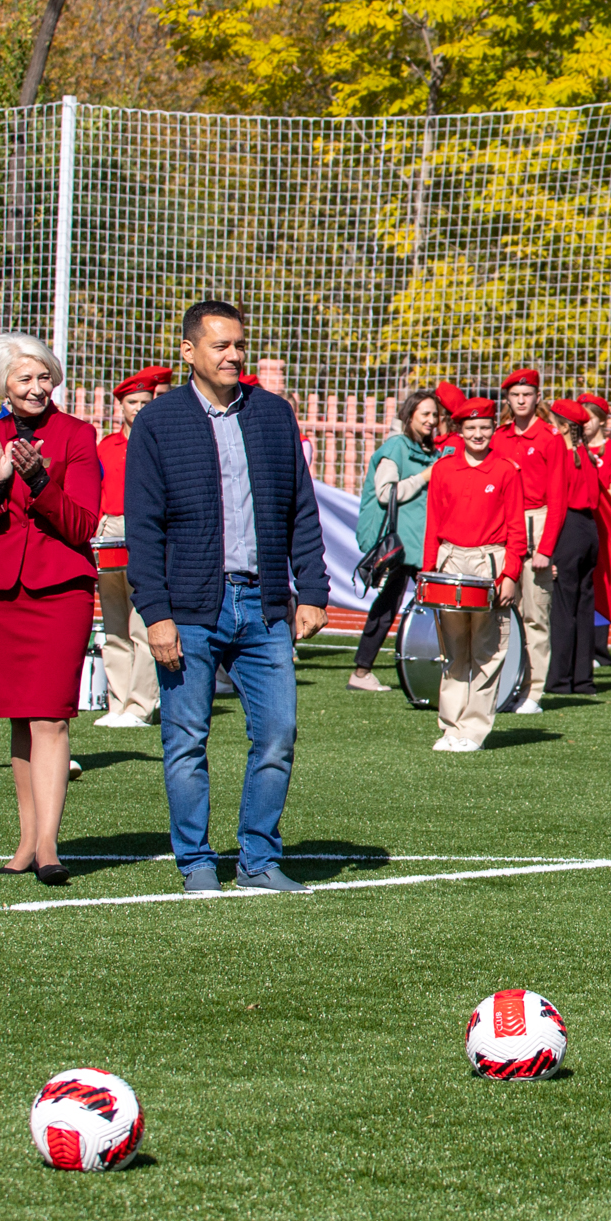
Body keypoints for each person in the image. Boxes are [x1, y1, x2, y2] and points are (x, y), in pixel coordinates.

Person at [127, 299, 330, 894]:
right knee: (186, 739)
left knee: (277, 734)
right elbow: (143, 528)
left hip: (264, 606)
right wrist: (157, 615)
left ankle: (259, 859)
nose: (235, 355)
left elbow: (301, 510)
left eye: (240, 344)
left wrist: (311, 590)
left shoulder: (272, 415)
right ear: (189, 351)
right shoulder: (158, 424)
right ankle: (195, 864)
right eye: (221, 346)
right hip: (189, 610)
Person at [0, 332, 102, 883]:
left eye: (45, 377)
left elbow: (84, 524)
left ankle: (48, 846)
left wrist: (38, 480)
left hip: (59, 589)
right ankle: (24, 842)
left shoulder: (78, 436)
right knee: (19, 717)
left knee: (52, 716)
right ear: (2, 387)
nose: (38, 388)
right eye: (25, 379)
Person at [422, 390, 527, 750]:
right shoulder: (442, 469)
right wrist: (427, 571)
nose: (479, 434)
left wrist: (511, 574)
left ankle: (474, 730)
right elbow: (432, 523)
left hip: (489, 562)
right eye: (471, 428)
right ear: (459, 430)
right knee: (453, 651)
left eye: (485, 427)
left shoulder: (505, 471)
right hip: (451, 561)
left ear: (493, 429)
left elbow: (516, 528)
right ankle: (451, 728)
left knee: (487, 650)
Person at [350, 387, 443, 692]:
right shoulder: (396, 448)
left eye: (434, 414)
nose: (432, 420)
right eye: (425, 414)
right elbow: (385, 492)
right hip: (402, 547)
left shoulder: (431, 451)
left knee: (431, 604)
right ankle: (362, 671)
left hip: (423, 542)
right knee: (389, 604)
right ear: (409, 416)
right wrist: (423, 478)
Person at [93, 365, 171, 726]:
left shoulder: (159, 440)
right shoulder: (105, 446)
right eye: (132, 402)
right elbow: (96, 489)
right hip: (109, 526)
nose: (139, 408)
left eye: (145, 401)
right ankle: (117, 702)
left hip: (144, 530)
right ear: (120, 406)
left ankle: (141, 705)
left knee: (141, 622)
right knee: (113, 622)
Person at [487, 367, 566, 714]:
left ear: (538, 398)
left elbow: (559, 498)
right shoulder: (498, 437)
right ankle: (505, 686)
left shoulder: (550, 438)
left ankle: (533, 692)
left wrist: (546, 549)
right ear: (507, 399)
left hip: (537, 520)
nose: (521, 400)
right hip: (504, 523)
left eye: (527, 394)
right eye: (515, 395)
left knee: (535, 613)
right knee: (502, 611)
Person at [543, 397, 611, 700]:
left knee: (563, 607)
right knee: (582, 604)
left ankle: (559, 679)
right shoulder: (586, 456)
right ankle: (582, 679)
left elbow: (556, 502)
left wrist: (546, 548)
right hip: (589, 530)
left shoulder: (562, 453)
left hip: (568, 529)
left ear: (563, 426)